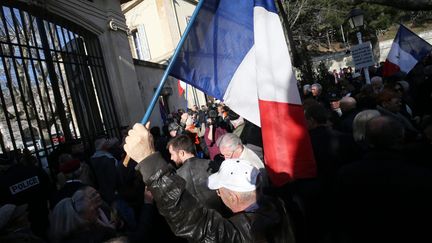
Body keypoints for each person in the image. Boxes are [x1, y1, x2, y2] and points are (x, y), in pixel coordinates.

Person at [123, 123, 295, 243]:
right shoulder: (280, 206)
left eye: (220, 190)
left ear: (234, 197)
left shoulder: (244, 232)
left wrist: (149, 161)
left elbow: (195, 224)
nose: (217, 193)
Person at [166, 135, 224, 212]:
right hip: (220, 216)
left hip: (197, 221)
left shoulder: (177, 176)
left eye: (172, 154)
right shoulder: (211, 164)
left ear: (182, 153)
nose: (171, 158)